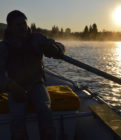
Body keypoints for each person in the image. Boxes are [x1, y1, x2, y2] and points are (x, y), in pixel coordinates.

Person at [0, 10, 65, 140]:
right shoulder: (3, 47)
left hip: (36, 83)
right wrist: (11, 86)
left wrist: (56, 49)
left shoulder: (37, 39)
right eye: (18, 25)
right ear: (10, 27)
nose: (23, 27)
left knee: (45, 109)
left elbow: (59, 45)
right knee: (17, 117)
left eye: (24, 24)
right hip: (16, 86)